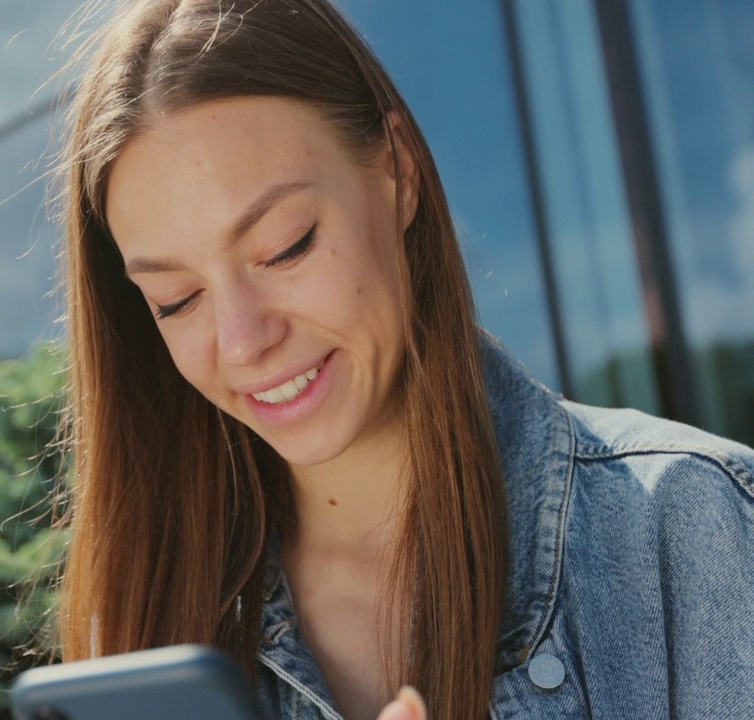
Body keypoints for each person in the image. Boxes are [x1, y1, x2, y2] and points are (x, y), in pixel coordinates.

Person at [49, 0, 754, 718]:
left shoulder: (684, 524)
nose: (242, 340)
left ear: (398, 172)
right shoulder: (147, 629)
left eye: (284, 247)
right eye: (176, 299)